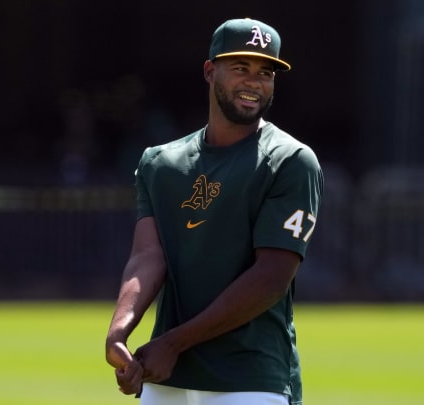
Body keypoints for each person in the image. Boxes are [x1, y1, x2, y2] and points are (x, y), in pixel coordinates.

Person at [105, 17, 323, 405]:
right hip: (165, 378)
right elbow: (147, 256)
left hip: (250, 378)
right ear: (210, 71)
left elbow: (272, 276)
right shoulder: (161, 163)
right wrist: (118, 332)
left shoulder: (291, 161)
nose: (254, 82)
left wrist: (172, 342)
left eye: (266, 72)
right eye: (241, 68)